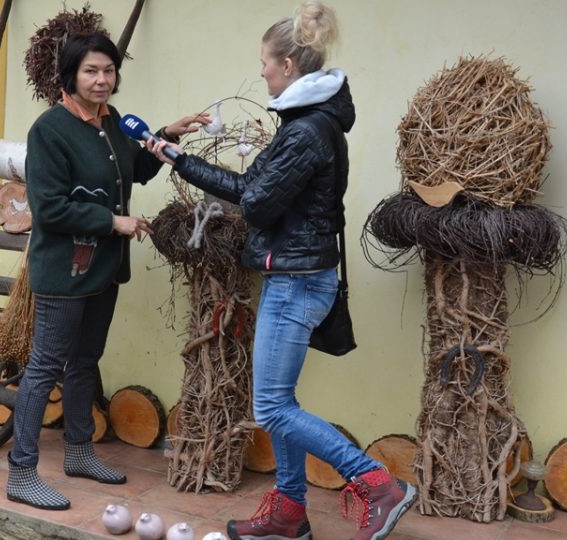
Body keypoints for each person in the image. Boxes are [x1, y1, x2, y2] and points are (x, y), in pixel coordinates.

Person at [147, 2, 417, 539]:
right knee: (282, 403)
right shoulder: (305, 124)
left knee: (270, 407)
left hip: (296, 282)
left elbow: (255, 200)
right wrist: (176, 156)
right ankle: (290, 512)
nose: (263, 72)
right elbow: (257, 187)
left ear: (289, 66)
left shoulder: (306, 131)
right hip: (296, 274)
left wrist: (180, 160)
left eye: (266, 63)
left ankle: (377, 483)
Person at [6, 32, 206, 511]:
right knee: (44, 368)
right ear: (71, 76)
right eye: (91, 71)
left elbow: (132, 169)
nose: (102, 80)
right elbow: (49, 209)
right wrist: (111, 221)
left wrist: (167, 135)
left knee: (85, 361)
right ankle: (21, 472)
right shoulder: (49, 130)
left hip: (103, 270)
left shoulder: (111, 121)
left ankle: (78, 452)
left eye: (108, 71)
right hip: (64, 274)